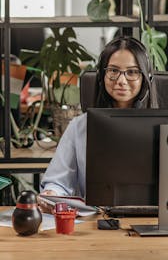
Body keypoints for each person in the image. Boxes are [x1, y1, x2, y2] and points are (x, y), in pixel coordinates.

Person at [38, 36, 158, 212]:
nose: (121, 80)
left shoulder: (164, 128)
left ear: (145, 78)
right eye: (113, 71)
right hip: (98, 222)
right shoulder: (80, 127)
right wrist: (51, 193)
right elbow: (58, 182)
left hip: (154, 220)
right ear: (102, 75)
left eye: (132, 72)